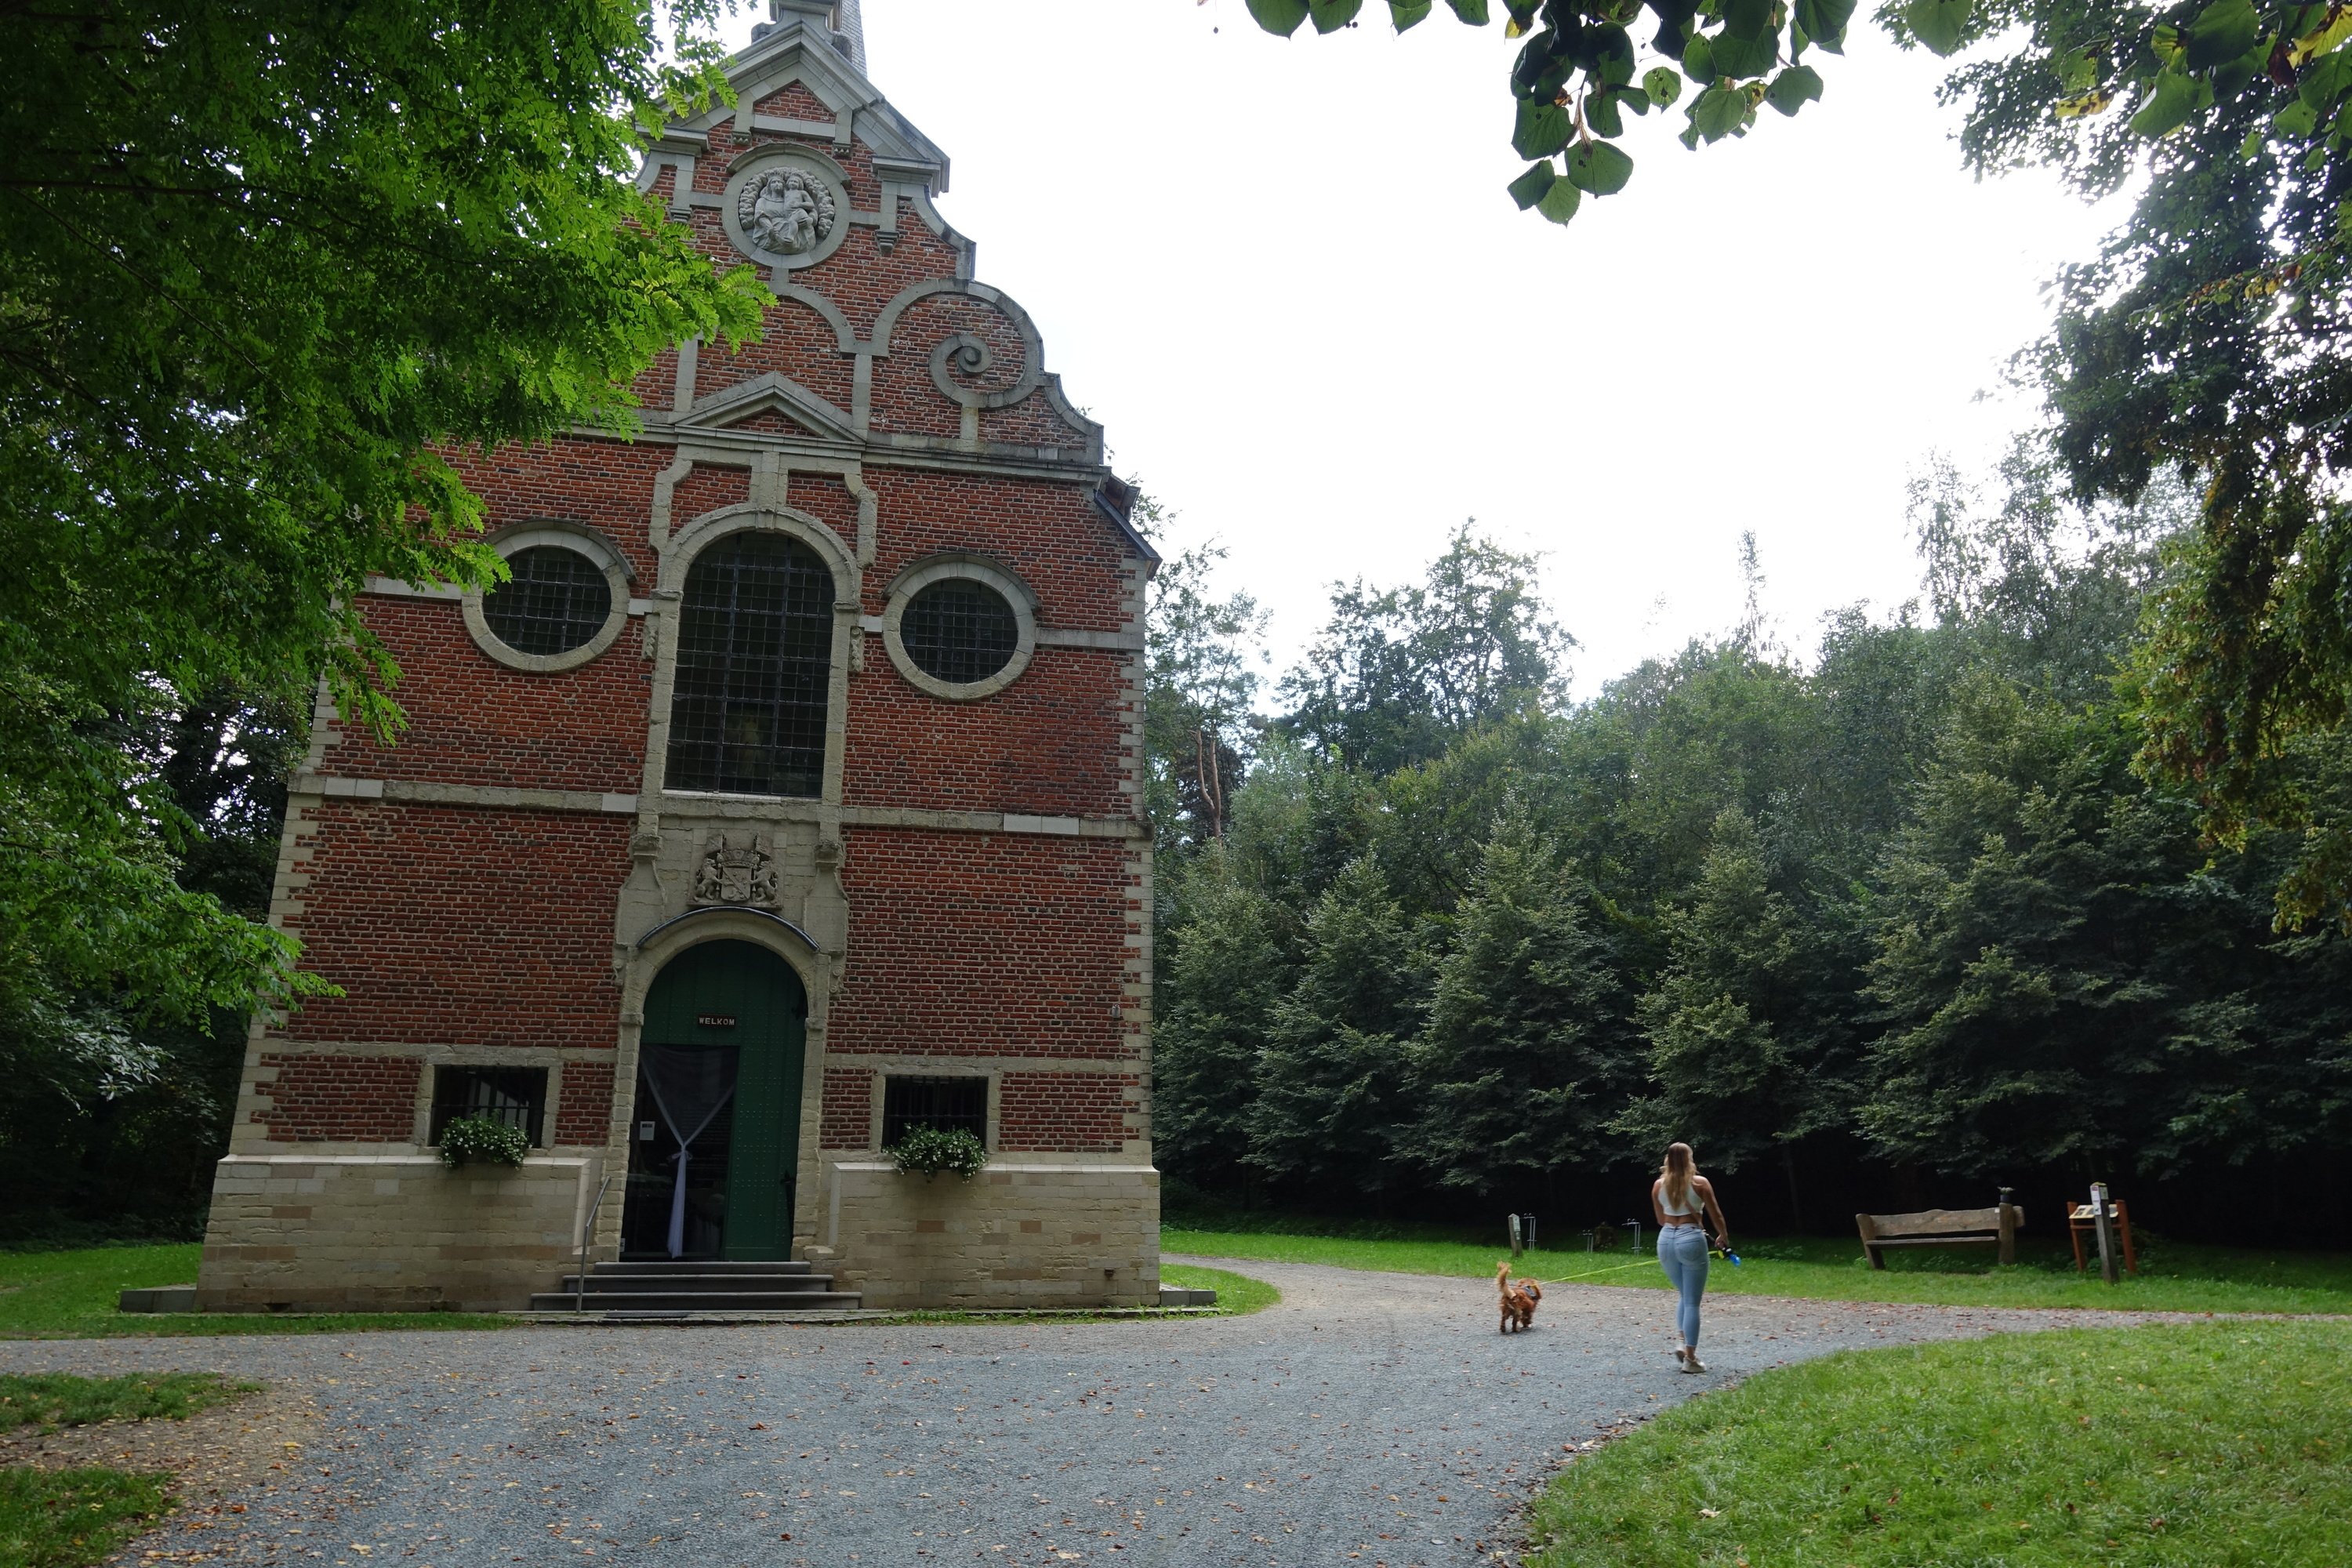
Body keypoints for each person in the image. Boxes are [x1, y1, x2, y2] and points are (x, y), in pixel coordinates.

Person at [1650, 1142, 1730, 1373]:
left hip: (1666, 1240)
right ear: (1689, 1159)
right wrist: (1723, 1236)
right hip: (1691, 1238)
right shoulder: (1700, 1183)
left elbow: (1660, 1219)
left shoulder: (1658, 1185)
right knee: (1692, 1301)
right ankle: (1691, 1359)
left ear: (1667, 1159)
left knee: (1685, 1295)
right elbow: (1716, 1214)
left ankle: (1682, 1343)